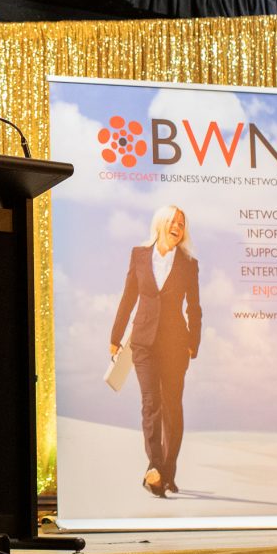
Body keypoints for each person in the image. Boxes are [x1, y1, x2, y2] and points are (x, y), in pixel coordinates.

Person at [110, 205, 201, 497]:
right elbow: (128, 297)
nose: (178, 226)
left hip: (176, 344)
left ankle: (168, 471)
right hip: (143, 342)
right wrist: (115, 336)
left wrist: (193, 343)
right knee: (151, 403)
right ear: (161, 223)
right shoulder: (139, 255)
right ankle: (155, 468)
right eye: (174, 221)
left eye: (182, 223)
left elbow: (195, 307)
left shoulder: (188, 263)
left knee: (172, 408)